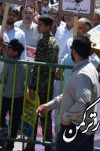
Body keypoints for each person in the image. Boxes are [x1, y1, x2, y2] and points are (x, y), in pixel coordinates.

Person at [37, 35, 99, 151]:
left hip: (74, 128)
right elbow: (70, 94)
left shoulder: (82, 74)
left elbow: (83, 102)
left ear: (74, 51)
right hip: (84, 127)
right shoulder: (89, 68)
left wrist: (66, 117)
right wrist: (49, 105)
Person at [25, 15, 59, 151]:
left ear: (48, 27)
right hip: (48, 83)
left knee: (35, 113)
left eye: (41, 25)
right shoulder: (55, 42)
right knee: (46, 114)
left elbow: (38, 65)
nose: (38, 27)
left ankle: (31, 143)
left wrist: (32, 84)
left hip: (40, 82)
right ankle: (48, 144)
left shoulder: (43, 42)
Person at [0, 39, 27, 151]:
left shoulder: (8, 64)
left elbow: (1, 80)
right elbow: (28, 81)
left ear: (15, 52)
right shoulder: (25, 64)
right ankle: (10, 145)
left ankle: (4, 128)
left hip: (7, 95)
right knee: (14, 121)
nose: (7, 50)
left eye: (9, 49)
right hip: (20, 96)